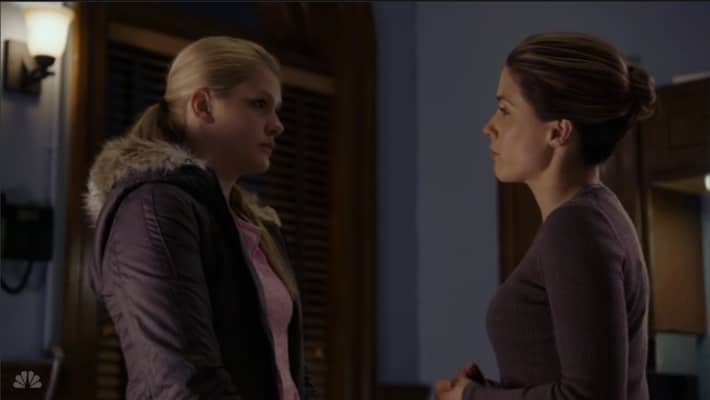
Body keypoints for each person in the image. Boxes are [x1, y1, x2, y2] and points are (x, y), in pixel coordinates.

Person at [85, 36, 315, 400]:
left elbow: (292, 375)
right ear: (203, 105)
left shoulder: (260, 227)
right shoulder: (152, 208)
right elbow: (182, 381)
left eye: (276, 109)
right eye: (259, 104)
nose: (278, 125)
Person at [436, 32, 655, 400]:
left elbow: (588, 396)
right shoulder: (592, 217)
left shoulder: (576, 228)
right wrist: (484, 392)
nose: (489, 127)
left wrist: (471, 396)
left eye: (505, 109)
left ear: (558, 132)